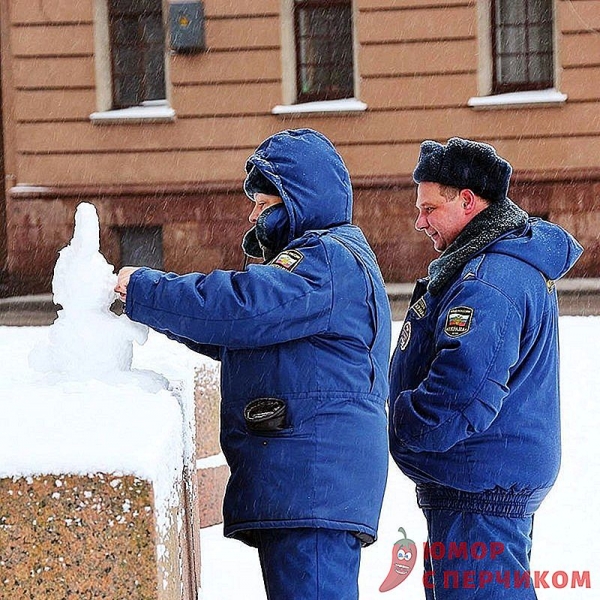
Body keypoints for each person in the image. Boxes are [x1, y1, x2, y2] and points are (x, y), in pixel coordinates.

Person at [115, 128, 392, 599]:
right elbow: (240, 335)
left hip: (314, 485)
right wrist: (150, 308)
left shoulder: (325, 259)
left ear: (296, 202)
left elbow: (245, 307)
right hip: (308, 481)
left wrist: (146, 289)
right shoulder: (327, 259)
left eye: (263, 205)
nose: (253, 215)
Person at [388, 137, 583, 599]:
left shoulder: (491, 280)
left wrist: (401, 420)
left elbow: (463, 390)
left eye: (430, 208)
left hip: (478, 490)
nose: (420, 222)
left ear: (468, 201)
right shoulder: (488, 267)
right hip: (479, 485)